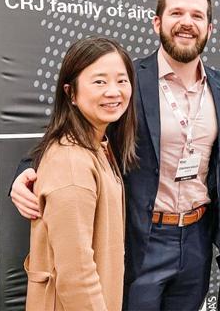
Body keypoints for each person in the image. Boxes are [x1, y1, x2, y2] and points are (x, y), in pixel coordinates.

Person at [11, 0, 220, 311]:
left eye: (197, 15)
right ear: (157, 22)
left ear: (209, 28)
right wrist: (26, 172)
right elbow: (73, 132)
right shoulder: (127, 79)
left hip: (197, 238)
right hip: (142, 239)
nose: (187, 23)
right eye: (176, 13)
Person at [24, 37, 137, 310]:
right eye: (99, 82)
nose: (113, 92)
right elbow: (76, 276)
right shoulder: (71, 162)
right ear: (71, 93)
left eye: (122, 80)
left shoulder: (98, 146)